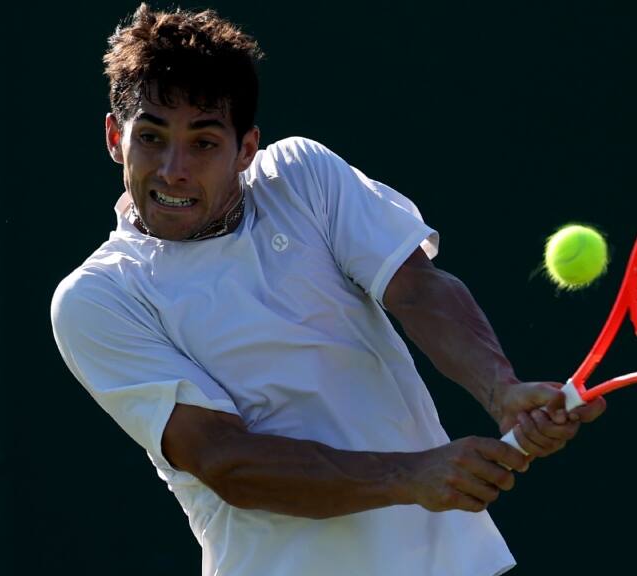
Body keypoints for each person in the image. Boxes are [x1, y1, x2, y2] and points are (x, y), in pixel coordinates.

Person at [50, 4, 605, 575]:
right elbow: (227, 461)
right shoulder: (99, 298)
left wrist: (500, 389)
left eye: (204, 143)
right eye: (151, 137)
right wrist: (411, 475)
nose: (172, 170)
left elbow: (416, 289)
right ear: (115, 137)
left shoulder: (304, 176)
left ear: (246, 150)